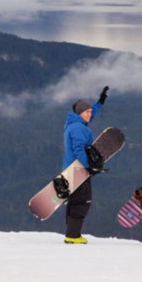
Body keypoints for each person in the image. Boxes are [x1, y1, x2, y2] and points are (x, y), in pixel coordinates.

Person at [62, 86, 109, 244]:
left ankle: (70, 232)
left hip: (69, 169)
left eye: (90, 111)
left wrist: (100, 102)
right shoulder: (79, 129)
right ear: (80, 113)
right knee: (82, 201)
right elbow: (79, 150)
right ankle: (73, 235)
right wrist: (88, 166)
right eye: (87, 112)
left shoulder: (74, 123)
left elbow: (90, 114)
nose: (90, 114)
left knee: (74, 201)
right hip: (78, 171)